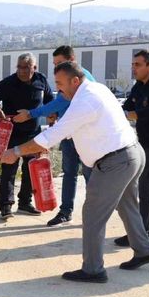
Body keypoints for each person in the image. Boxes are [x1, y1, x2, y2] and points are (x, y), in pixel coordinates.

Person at [1, 61, 149, 283]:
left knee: (92, 213)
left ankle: (93, 269)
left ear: (75, 80)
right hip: (131, 154)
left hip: (116, 162)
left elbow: (49, 138)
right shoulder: (95, 89)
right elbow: (75, 128)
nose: (58, 90)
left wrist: (15, 151)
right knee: (128, 204)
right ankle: (144, 249)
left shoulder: (84, 101)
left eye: (61, 84)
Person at [13, 46, 96, 227]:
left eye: (60, 63)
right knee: (70, 174)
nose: (56, 68)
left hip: (83, 137)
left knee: (90, 175)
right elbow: (62, 104)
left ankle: (94, 214)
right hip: (69, 136)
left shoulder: (82, 80)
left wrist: (31, 113)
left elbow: (61, 101)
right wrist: (56, 115)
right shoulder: (70, 80)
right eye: (55, 64)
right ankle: (66, 212)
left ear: (72, 60)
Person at [0, 53, 54, 219]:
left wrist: (52, 115)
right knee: (9, 170)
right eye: (19, 67)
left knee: (31, 169)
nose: (21, 71)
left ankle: (25, 202)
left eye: (26, 68)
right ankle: (6, 206)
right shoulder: (8, 83)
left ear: (34, 68)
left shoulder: (41, 80)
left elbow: (50, 100)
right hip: (12, 134)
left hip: (33, 134)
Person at [115, 50, 149, 246]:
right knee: (147, 187)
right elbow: (127, 106)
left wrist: (135, 115)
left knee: (145, 188)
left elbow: (148, 112)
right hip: (144, 142)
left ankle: (139, 234)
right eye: (133, 64)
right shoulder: (138, 87)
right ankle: (148, 227)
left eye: (138, 65)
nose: (134, 68)